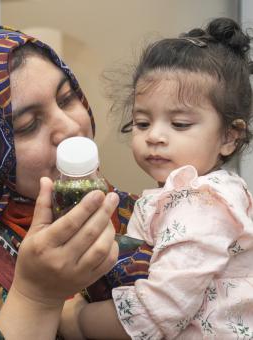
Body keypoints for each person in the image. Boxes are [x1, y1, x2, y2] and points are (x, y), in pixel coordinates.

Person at [0, 26, 148, 339]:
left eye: (66, 99)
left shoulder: (144, 217)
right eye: (27, 125)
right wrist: (37, 296)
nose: (69, 128)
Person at [69, 17, 253, 339]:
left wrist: (78, 320)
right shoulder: (178, 194)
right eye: (142, 123)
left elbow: (157, 312)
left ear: (229, 136)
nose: (155, 136)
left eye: (179, 124)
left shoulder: (205, 202)